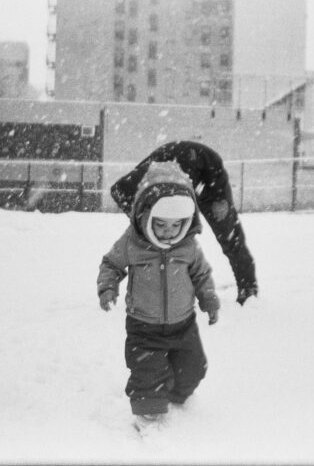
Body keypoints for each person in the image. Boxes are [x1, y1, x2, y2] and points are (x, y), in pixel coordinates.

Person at [97, 161, 220, 430]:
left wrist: (209, 299)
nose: (168, 231)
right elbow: (111, 264)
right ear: (144, 215)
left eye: (176, 225)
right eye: (161, 224)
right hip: (144, 327)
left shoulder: (188, 247)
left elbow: (201, 274)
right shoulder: (132, 242)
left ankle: (175, 395)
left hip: (183, 325)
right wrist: (107, 288)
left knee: (193, 369)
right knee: (147, 373)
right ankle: (149, 418)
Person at [110, 141, 258, 305]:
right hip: (174, 173)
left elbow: (120, 192)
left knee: (228, 235)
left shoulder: (165, 181)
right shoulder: (145, 181)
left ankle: (248, 289)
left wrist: (220, 198)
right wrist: (145, 223)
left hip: (208, 177)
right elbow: (118, 191)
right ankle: (174, 290)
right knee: (169, 241)